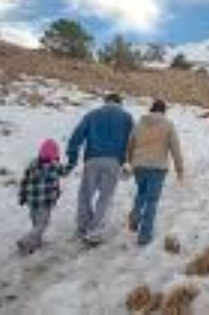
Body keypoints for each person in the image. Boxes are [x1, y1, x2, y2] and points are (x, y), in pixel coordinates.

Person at [67, 93, 134, 244]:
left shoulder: (92, 115)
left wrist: (72, 158)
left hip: (92, 159)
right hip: (113, 162)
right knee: (105, 197)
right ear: (120, 103)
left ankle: (83, 226)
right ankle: (95, 231)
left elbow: (76, 136)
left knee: (85, 195)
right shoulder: (126, 117)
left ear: (105, 102)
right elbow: (133, 140)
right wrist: (129, 162)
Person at [125, 99, 184, 246]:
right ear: (164, 110)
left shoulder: (139, 124)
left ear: (151, 109)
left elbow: (130, 144)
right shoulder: (168, 125)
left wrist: (130, 161)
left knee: (141, 193)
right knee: (152, 201)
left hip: (139, 165)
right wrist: (179, 168)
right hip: (158, 167)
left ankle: (135, 216)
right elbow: (175, 147)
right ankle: (144, 235)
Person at [17, 139, 68, 255]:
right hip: (45, 202)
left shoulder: (32, 164)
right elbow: (64, 172)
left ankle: (36, 242)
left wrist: (22, 196)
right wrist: (71, 164)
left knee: (36, 222)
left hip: (31, 201)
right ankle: (25, 241)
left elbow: (24, 181)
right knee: (42, 224)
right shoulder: (54, 166)